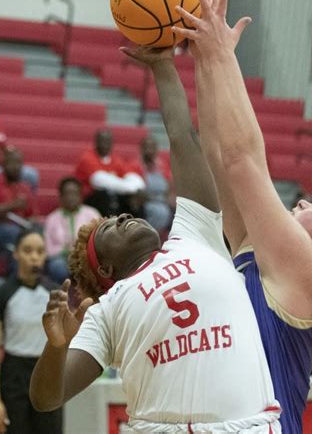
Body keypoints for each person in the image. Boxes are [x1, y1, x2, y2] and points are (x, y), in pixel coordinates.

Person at [172, 0, 312, 433]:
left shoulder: (304, 273)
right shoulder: (267, 257)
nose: (307, 201)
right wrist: (204, 62)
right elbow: (219, 155)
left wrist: (223, 59)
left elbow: (243, 160)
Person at [29, 46, 281, 432]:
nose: (126, 216)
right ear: (107, 268)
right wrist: (57, 347)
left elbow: (182, 137)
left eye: (121, 215)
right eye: (111, 227)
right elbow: (47, 398)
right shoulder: (106, 310)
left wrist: (163, 66)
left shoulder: (194, 233)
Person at [0, 229, 62, 434]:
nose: (34, 256)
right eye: (27, 251)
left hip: (47, 375)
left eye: (39, 251)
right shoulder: (1, 295)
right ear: (16, 253)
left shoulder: (55, 294)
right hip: (14, 377)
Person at [0, 147, 37, 270]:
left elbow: (31, 214)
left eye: (19, 163)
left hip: (19, 228)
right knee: (17, 236)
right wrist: (12, 205)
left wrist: (33, 222)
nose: (16, 167)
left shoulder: (24, 186)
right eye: (12, 163)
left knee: (38, 233)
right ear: (4, 164)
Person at [75, 128, 146, 217]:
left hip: (112, 196)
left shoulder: (116, 160)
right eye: (102, 141)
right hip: (91, 198)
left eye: (108, 142)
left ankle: (134, 227)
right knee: (106, 195)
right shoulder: (87, 158)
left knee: (135, 198)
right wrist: (131, 188)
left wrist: (136, 190)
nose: (105, 144)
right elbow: (100, 180)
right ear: (96, 142)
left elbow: (133, 176)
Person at [0, 90, 39, 190]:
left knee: (31, 174)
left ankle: (27, 203)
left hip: (0, 163)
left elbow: (3, 145)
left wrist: (10, 150)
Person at [44, 177, 100, 283]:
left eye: (74, 193)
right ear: (60, 197)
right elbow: (48, 248)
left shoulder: (92, 214)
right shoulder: (52, 218)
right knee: (57, 266)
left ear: (80, 196)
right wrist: (65, 251)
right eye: (67, 193)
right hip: (61, 259)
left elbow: (99, 240)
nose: (71, 197)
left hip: (85, 257)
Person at [130, 135, 174, 234]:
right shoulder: (135, 165)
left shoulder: (162, 166)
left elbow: (168, 186)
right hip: (145, 202)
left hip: (162, 201)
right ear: (141, 149)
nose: (149, 151)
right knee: (157, 212)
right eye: (147, 147)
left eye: (152, 147)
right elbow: (137, 192)